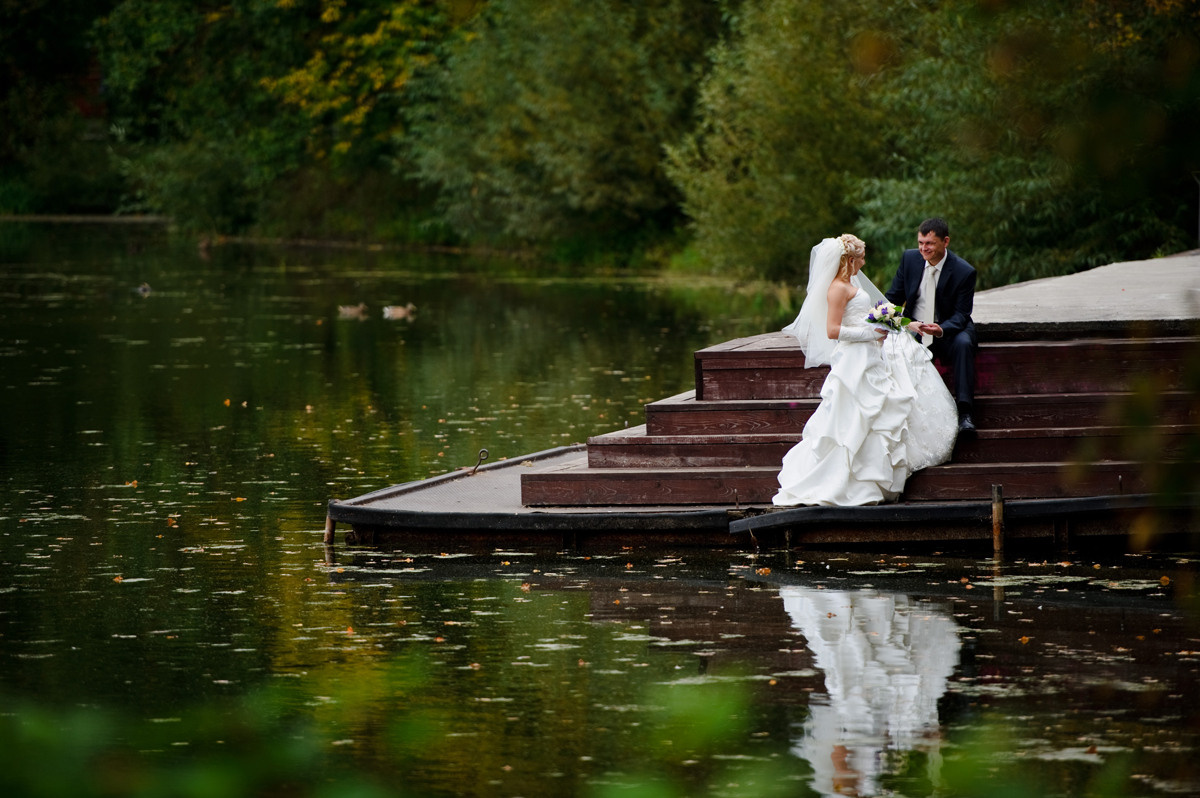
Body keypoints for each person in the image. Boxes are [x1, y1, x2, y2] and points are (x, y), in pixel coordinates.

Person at [774, 234, 957, 507]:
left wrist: (910, 325)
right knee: (853, 417)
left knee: (875, 414)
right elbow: (833, 330)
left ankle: (871, 479)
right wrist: (869, 335)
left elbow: (878, 313)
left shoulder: (851, 283)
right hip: (853, 361)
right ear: (849, 260)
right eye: (860, 256)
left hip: (870, 357)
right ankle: (843, 483)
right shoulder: (837, 288)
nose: (864, 260)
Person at [884, 218, 978, 433]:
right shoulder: (909, 260)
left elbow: (962, 314)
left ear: (945, 241)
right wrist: (904, 323)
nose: (923, 249)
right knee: (892, 347)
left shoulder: (964, 271)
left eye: (929, 244)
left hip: (949, 329)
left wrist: (941, 328)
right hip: (914, 327)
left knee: (964, 343)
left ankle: (965, 413)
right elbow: (893, 299)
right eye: (920, 243)